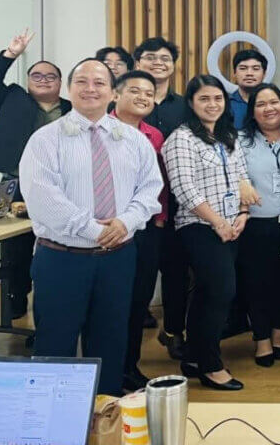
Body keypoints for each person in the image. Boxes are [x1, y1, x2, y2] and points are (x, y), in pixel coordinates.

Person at [19, 59, 162, 396]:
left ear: (113, 92)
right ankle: (52, 422)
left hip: (118, 257)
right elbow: (43, 198)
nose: (90, 89)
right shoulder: (45, 139)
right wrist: (96, 230)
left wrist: (125, 223)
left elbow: (150, 189)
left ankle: (106, 412)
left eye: (99, 83)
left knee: (111, 341)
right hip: (62, 258)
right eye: (81, 81)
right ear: (69, 90)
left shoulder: (133, 140)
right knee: (55, 341)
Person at [162, 75, 250, 391]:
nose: (212, 105)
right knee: (220, 290)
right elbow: (185, 189)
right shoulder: (181, 139)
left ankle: (196, 357)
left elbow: (243, 178)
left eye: (217, 98)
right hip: (199, 227)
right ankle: (211, 366)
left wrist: (242, 213)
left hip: (231, 226)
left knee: (209, 293)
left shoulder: (230, 136)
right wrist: (218, 222)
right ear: (191, 103)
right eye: (204, 99)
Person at [0, 29, 71, 318]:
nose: (43, 80)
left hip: (58, 187)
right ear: (28, 81)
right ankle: (15, 299)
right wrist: (11, 54)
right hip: (11, 184)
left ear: (60, 82)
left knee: (52, 251)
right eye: (37, 76)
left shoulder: (72, 109)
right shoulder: (13, 99)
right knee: (11, 249)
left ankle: (46, 316)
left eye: (50, 76)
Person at [109, 70, 169, 392]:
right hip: (109, 230)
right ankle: (107, 370)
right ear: (116, 94)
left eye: (149, 92)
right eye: (135, 90)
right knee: (111, 303)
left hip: (146, 229)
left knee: (137, 301)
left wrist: (159, 220)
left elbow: (159, 185)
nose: (143, 97)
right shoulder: (99, 130)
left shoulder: (154, 135)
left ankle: (129, 367)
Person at [236, 84, 280, 368]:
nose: (268, 108)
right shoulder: (239, 141)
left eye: (274, 102)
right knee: (257, 284)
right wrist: (241, 184)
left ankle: (278, 334)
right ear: (253, 111)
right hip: (255, 225)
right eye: (261, 104)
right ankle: (261, 338)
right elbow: (232, 174)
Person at [134, 36, 190, 360]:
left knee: (176, 273)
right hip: (136, 210)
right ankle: (130, 343)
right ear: (138, 62)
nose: (158, 62)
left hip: (178, 203)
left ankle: (174, 331)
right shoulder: (125, 105)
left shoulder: (184, 106)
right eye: (150, 57)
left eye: (165, 57)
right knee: (139, 277)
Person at [228, 49, 280, 130]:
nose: (249, 73)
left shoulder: (277, 106)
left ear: (264, 74)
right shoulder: (226, 105)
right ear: (234, 73)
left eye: (255, 68)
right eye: (243, 68)